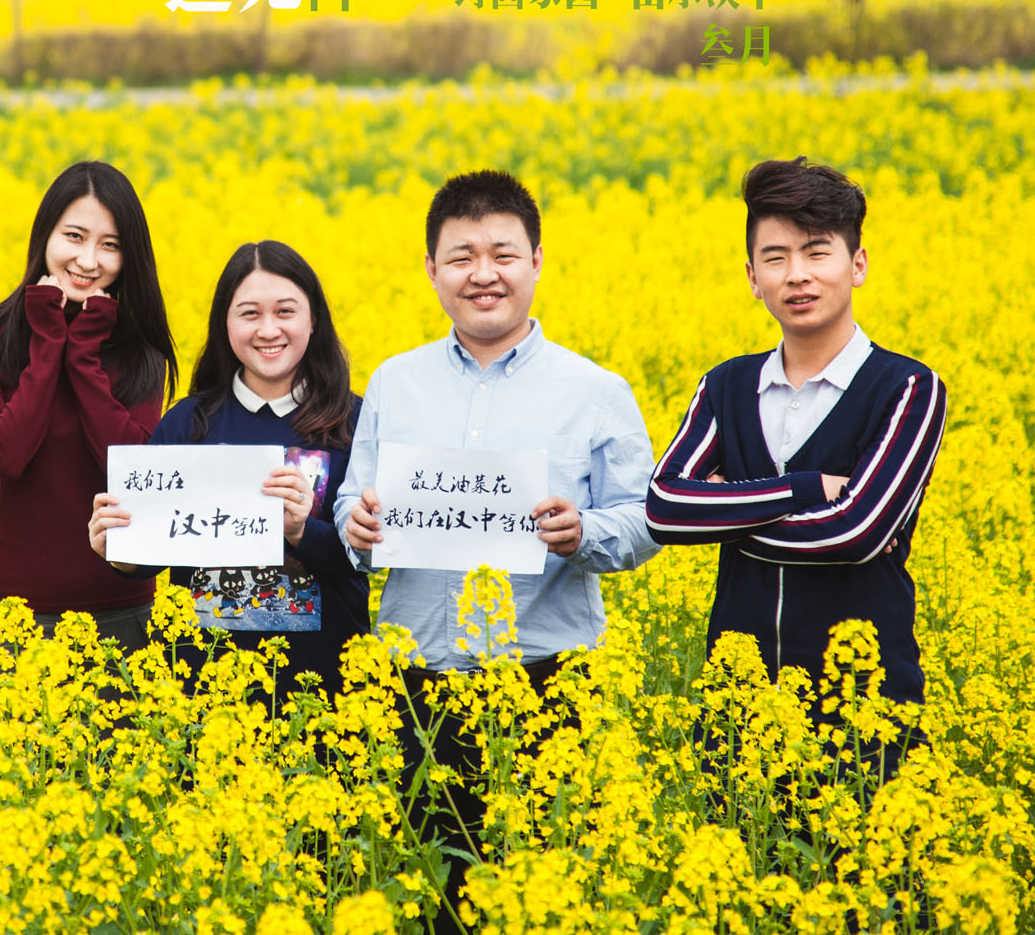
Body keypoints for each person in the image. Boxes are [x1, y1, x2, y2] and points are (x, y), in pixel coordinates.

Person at [335, 170, 659, 928]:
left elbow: (644, 517)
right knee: (432, 900)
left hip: (549, 683)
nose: (484, 273)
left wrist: (586, 532)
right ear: (433, 270)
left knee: (549, 896)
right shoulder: (394, 381)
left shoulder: (595, 389)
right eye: (462, 256)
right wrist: (358, 525)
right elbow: (356, 497)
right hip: (420, 685)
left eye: (503, 253)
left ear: (537, 261)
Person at [644, 157, 947, 777]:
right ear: (752, 276)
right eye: (776, 258)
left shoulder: (908, 388)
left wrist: (724, 512)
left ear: (857, 265)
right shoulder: (726, 386)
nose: (798, 275)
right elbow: (665, 508)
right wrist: (804, 489)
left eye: (818, 253)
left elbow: (855, 533)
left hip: (865, 711)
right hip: (737, 713)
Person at [88, 241, 366, 698]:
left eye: (286, 311)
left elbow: (367, 557)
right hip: (202, 690)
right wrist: (117, 547)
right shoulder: (188, 422)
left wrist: (301, 531)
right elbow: (149, 554)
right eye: (250, 314)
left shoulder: (354, 421)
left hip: (327, 685)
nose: (268, 329)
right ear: (226, 323)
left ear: (313, 319)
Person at [0, 160, 177, 651]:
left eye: (110, 245)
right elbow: (7, 454)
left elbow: (129, 466)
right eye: (74, 236)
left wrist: (84, 354)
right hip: (10, 610)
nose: (89, 260)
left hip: (121, 605)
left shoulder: (140, 352)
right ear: (44, 236)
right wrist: (50, 340)